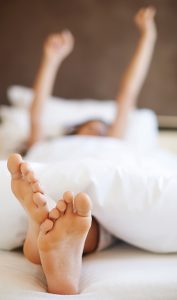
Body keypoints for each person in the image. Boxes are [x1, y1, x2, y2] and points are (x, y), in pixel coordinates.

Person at [8, 6, 157, 295]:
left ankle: (44, 239)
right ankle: (54, 237)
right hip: (55, 164)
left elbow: (127, 95)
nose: (99, 130)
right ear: (76, 130)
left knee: (91, 213)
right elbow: (36, 114)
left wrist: (148, 36)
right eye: (93, 126)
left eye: (104, 128)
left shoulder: (113, 142)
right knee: (82, 214)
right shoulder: (49, 142)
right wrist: (51, 59)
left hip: (97, 182)